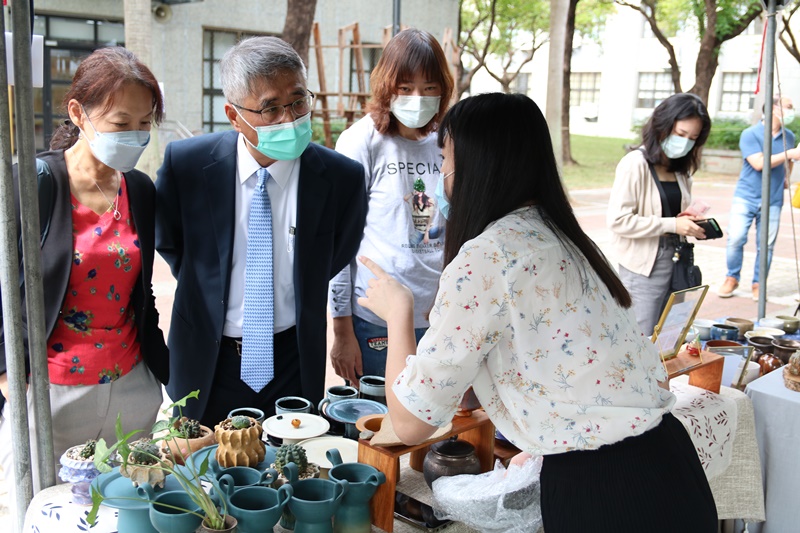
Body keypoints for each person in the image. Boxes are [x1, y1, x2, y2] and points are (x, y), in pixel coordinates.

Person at [357, 93, 717, 532]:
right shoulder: (565, 238)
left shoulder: (486, 258)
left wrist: (398, 313)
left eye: (446, 158)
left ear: (478, 165)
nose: (442, 175)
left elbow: (410, 424)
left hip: (603, 492)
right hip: (671, 464)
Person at [156, 36, 367, 426]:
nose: (289, 119)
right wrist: (210, 284)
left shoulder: (342, 179)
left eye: (298, 101)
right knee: (203, 470)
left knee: (289, 468)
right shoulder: (186, 165)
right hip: (207, 355)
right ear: (235, 117)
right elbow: (172, 244)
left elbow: (338, 253)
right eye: (270, 108)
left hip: (293, 357)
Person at [0, 47, 168, 519]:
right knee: (36, 514)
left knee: (125, 516)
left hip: (131, 389)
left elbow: (141, 293)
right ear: (79, 113)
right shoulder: (30, 184)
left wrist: (160, 374)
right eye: (120, 122)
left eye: (144, 123)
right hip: (50, 392)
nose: (134, 136)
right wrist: (8, 375)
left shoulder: (141, 190)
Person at [328, 29, 454, 384]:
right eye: (405, 87)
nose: (418, 97)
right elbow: (339, 244)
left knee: (436, 427)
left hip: (440, 315)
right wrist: (341, 331)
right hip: (374, 319)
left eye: (429, 88)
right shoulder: (361, 141)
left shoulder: (449, 139)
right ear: (387, 86)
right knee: (379, 425)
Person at [607, 93, 712, 336]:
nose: (686, 142)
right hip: (644, 265)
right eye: (681, 134)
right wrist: (673, 225)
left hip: (679, 262)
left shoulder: (681, 170)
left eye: (693, 138)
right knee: (641, 337)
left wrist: (689, 222)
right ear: (663, 126)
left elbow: (674, 214)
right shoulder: (635, 164)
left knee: (670, 336)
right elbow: (618, 220)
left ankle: (665, 376)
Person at [718, 96, 800, 301]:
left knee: (767, 244)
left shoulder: (788, 136)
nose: (791, 111)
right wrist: (790, 153)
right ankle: (731, 277)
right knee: (736, 238)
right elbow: (759, 163)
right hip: (746, 196)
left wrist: (787, 178)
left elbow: (788, 162)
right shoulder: (750, 134)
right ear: (773, 108)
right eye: (788, 107)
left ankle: (758, 283)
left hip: (773, 199)